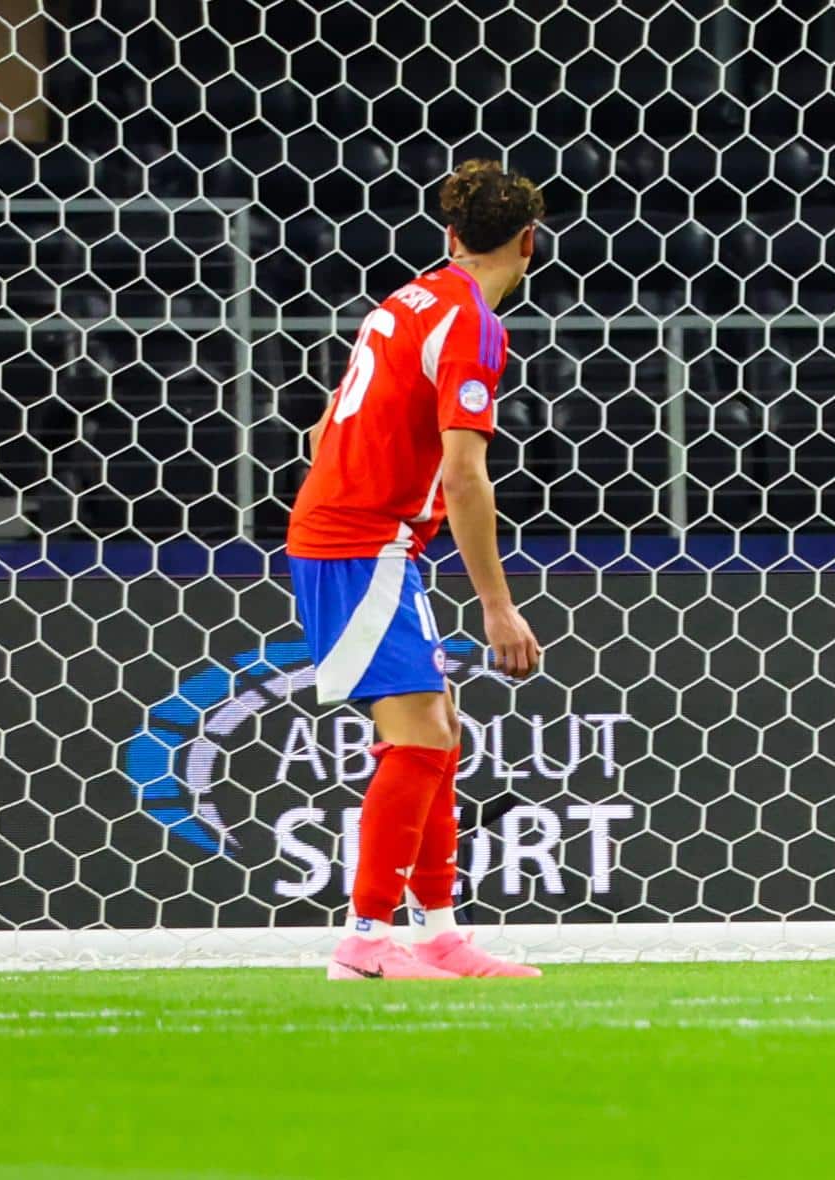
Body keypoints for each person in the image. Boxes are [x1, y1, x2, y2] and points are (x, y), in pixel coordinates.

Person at [288, 160, 546, 980]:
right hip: (363, 543)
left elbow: (327, 424)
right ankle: (365, 941)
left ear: (450, 236)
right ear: (530, 244)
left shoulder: (404, 299)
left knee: (440, 733)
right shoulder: (473, 326)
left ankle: (438, 932)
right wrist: (498, 609)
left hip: (364, 535)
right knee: (422, 736)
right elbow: (468, 475)